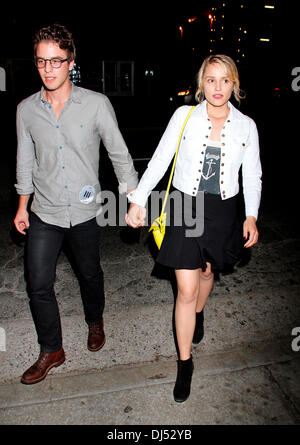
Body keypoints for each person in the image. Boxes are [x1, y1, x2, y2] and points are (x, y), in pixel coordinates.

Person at [126, 54, 262, 402]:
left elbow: (253, 175)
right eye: (211, 80)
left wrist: (251, 215)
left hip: (222, 211)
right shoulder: (184, 116)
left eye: (225, 80)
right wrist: (139, 198)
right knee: (185, 289)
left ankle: (199, 314)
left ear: (235, 84)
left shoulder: (246, 126)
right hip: (185, 206)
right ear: (202, 83)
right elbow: (160, 157)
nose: (218, 88)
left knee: (206, 274)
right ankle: (185, 363)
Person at [14, 24, 138, 384]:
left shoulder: (97, 104)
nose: (48, 69)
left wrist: (134, 201)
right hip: (45, 211)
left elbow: (119, 155)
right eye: (41, 61)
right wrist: (22, 206)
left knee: (89, 274)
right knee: (37, 282)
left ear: (71, 62)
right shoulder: (25, 111)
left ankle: (94, 319)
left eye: (56, 61)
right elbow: (25, 162)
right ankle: (52, 349)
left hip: (84, 210)